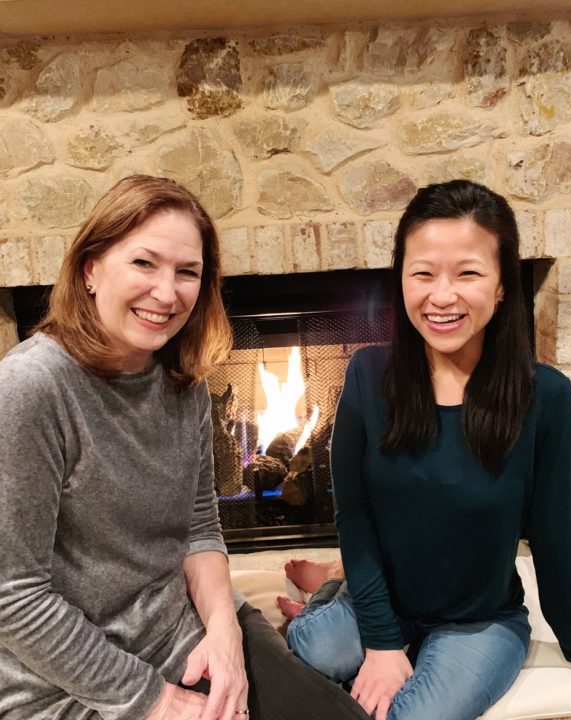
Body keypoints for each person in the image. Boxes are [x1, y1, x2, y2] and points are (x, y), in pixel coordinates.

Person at [0, 175, 370, 720]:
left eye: (187, 272)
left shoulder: (184, 378)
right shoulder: (30, 389)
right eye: (144, 264)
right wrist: (155, 700)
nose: (167, 293)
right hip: (67, 677)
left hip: (184, 628)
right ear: (91, 269)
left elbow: (200, 525)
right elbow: (14, 595)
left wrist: (224, 637)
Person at [277, 180, 571, 720]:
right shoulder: (367, 376)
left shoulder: (546, 396)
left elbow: (556, 535)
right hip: (388, 601)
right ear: (401, 279)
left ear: (501, 286)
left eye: (467, 273)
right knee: (309, 651)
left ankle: (333, 581)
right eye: (422, 273)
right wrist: (381, 642)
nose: (441, 296)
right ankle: (335, 586)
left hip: (480, 620)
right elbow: (354, 511)